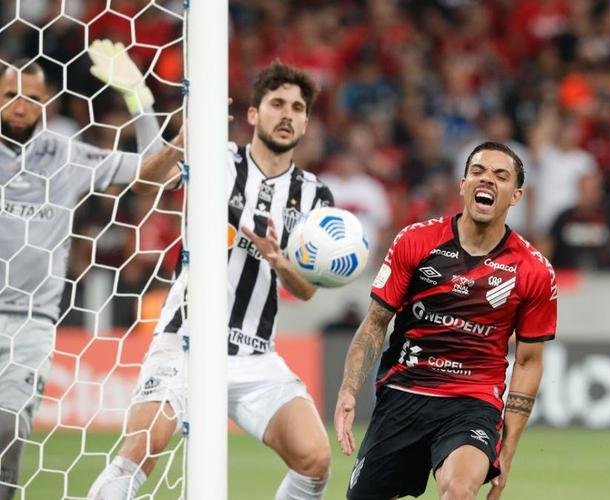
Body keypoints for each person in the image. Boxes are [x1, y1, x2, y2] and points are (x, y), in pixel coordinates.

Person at [88, 61, 334, 499]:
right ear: (254, 114)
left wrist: (280, 263)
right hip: (186, 340)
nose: (287, 114)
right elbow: (146, 184)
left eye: (297, 107)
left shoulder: (316, 195)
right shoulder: (216, 159)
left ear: (306, 121)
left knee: (315, 459)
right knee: (142, 447)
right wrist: (181, 144)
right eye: (276, 103)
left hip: (256, 355)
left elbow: (307, 288)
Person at [334, 141, 558, 500]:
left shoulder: (532, 270)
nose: (487, 181)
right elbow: (376, 323)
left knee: (458, 491)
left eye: (500, 176)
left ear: (516, 195)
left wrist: (508, 450)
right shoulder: (416, 241)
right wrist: (348, 389)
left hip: (472, 403)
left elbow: (529, 362)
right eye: (478, 172)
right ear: (463, 184)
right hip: (402, 395)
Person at [0, 41, 174, 499]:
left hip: (30, 323)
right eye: (10, 95)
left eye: (33, 97)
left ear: (48, 102)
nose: (22, 105)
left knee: (7, 429)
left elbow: (156, 173)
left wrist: (140, 98)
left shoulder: (66, 155)